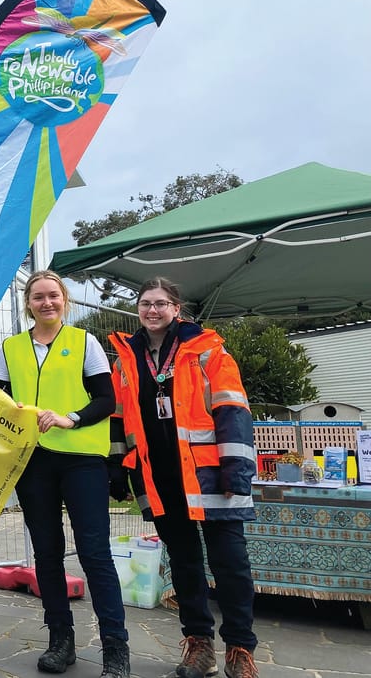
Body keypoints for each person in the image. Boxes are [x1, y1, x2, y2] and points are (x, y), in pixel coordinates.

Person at [109, 278, 258, 678]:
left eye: (161, 303)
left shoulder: (208, 350)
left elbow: (233, 411)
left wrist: (236, 470)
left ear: (177, 309)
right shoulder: (126, 358)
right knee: (185, 564)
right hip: (160, 478)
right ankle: (199, 645)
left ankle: (241, 649)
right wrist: (118, 468)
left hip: (211, 475)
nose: (152, 310)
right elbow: (120, 418)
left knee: (231, 565)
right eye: (145, 304)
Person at [0, 270, 129, 678]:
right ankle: (61, 640)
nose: (46, 303)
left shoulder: (84, 342)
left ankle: (115, 649)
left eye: (53, 296)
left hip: (81, 459)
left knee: (94, 552)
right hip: (33, 461)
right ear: (28, 303)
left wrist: (72, 418)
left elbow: (107, 400)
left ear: (64, 300)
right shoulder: (11, 347)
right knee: (47, 554)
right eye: (38, 297)